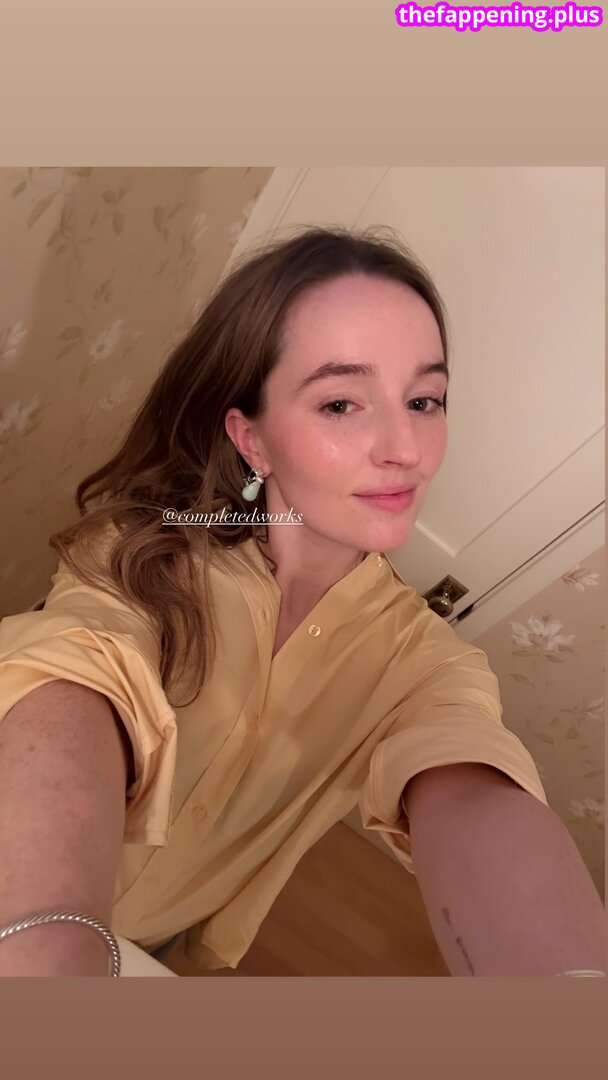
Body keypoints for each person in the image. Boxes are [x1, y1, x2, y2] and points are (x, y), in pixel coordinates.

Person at [0, 226, 604, 978]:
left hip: (164, 940)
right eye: (341, 403)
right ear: (252, 440)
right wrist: (43, 949)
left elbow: (471, 789)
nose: (406, 449)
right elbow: (79, 667)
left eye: (424, 399)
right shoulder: (142, 551)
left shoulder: (423, 664)